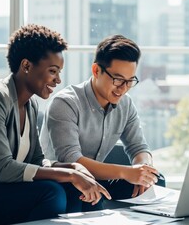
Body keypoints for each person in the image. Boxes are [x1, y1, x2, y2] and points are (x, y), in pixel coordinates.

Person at [0, 24, 110, 224]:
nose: (58, 80)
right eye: (53, 71)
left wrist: (74, 168)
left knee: (79, 188)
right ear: (27, 66)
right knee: (52, 193)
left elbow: (37, 160)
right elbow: (2, 169)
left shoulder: (30, 105)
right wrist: (69, 174)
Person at [40, 34, 164, 206]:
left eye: (129, 81)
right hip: (64, 180)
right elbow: (72, 159)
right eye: (118, 79)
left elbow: (139, 147)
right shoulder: (65, 103)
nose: (123, 89)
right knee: (86, 194)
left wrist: (143, 171)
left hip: (98, 178)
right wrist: (127, 172)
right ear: (96, 71)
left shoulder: (125, 104)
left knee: (156, 182)